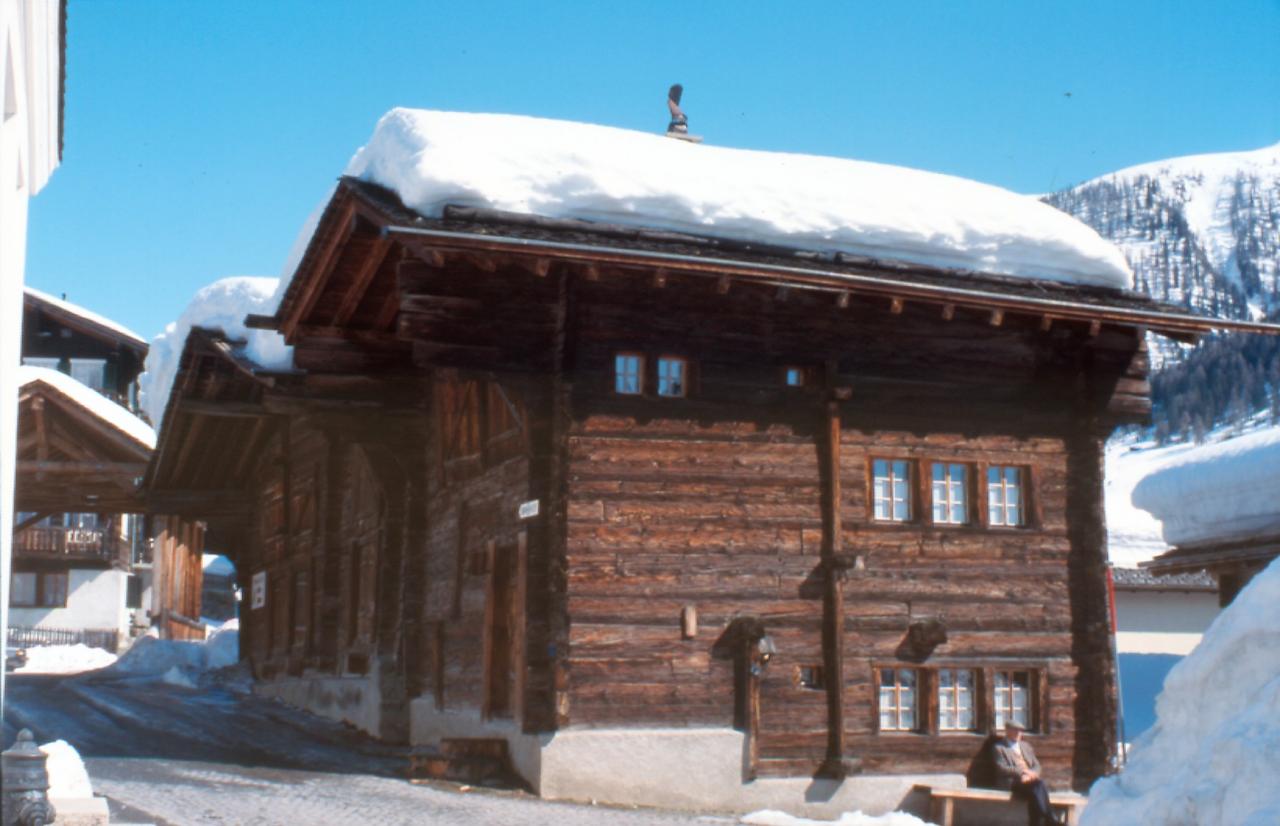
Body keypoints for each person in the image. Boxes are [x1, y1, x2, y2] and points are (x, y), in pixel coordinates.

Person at [993, 721, 1061, 826]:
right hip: (1012, 781)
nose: (1018, 733)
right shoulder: (999, 748)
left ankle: (1041, 822)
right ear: (1007, 731)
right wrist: (1023, 772)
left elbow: (1037, 765)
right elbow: (1001, 768)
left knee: (1036, 790)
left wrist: (1031, 775)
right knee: (1038, 786)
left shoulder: (1025, 746)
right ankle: (1049, 819)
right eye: (1015, 730)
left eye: (1020, 731)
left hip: (1030, 781)